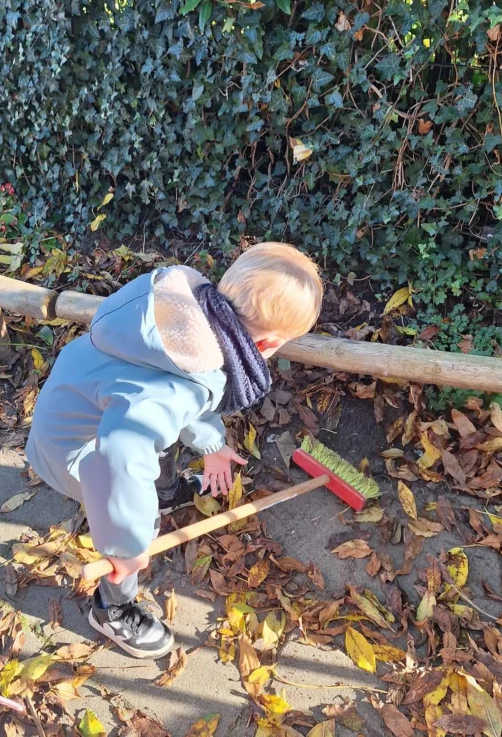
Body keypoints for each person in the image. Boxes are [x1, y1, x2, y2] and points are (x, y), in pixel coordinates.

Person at [26, 242, 323, 659]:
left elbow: (174, 397)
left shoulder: (179, 310)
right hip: (80, 453)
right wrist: (126, 545)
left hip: (70, 408)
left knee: (156, 443)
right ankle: (113, 605)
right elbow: (123, 453)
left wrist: (213, 445)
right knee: (135, 510)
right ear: (269, 344)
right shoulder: (191, 373)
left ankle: (164, 494)